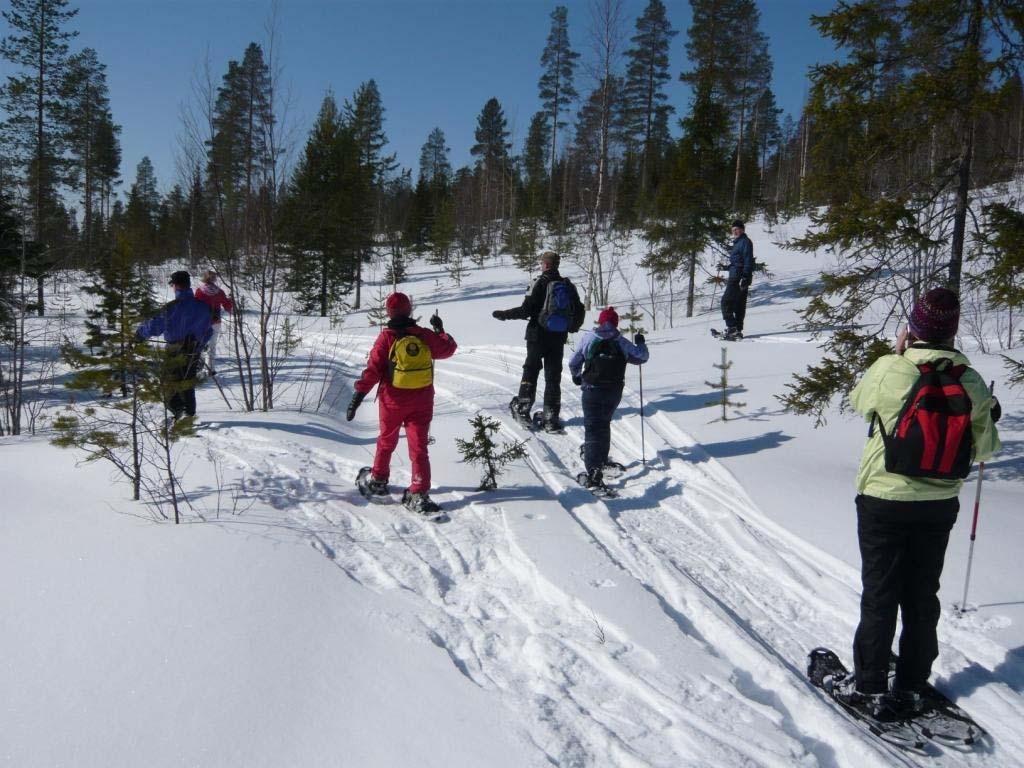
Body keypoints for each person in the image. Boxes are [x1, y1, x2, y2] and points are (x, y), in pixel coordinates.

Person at [839, 288, 1001, 720]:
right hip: (939, 503)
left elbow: (859, 404)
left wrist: (896, 354)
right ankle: (912, 680)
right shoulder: (970, 381)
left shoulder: (889, 369)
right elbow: (984, 449)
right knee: (921, 592)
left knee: (880, 592)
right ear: (951, 330)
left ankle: (871, 685)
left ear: (913, 327)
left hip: (883, 497)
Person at [346, 292, 457, 515]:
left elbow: (373, 371)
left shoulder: (386, 338)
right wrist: (440, 331)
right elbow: (448, 349)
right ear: (409, 310)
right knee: (419, 447)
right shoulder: (423, 334)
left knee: (387, 440)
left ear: (389, 312)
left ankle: (378, 479)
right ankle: (418, 491)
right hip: (422, 400)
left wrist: (358, 396)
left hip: (392, 400)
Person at [492, 250, 585, 432]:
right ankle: (551, 418)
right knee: (553, 376)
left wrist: (504, 315)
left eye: (542, 263)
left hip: (537, 335)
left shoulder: (539, 282)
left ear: (546, 264)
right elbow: (580, 309)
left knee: (531, 369)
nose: (541, 265)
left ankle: (523, 409)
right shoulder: (567, 284)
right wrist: (571, 326)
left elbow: (526, 310)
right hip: (558, 337)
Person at [568, 306, 648, 491]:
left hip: (592, 389)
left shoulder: (589, 338)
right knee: (604, 423)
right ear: (615, 323)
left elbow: (574, 361)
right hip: (614, 391)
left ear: (600, 321)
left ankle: (594, 471)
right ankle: (601, 459)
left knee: (593, 428)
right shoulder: (620, 341)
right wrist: (641, 342)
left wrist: (576, 376)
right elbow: (642, 357)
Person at [136, 270, 214, 422]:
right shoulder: (203, 307)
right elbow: (209, 331)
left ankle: (180, 412)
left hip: (175, 350)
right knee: (187, 382)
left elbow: (154, 327)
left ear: (175, 286)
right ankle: (189, 415)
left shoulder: (172, 308)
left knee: (168, 384)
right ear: (188, 285)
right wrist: (199, 344)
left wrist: (139, 334)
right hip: (194, 351)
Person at [718, 220, 755, 341]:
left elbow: (748, 260)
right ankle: (737, 330)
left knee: (726, 302)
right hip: (737, 275)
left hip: (738, 278)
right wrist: (725, 267)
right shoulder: (738, 243)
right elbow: (737, 263)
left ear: (742, 229)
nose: (734, 231)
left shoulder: (745, 242)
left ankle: (732, 327)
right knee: (739, 304)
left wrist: (745, 277)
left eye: (737, 229)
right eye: (733, 230)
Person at [193, 269, 234, 375]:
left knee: (201, 344)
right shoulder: (219, 292)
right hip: (216, 322)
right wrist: (230, 301)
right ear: (214, 279)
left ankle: (199, 366)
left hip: (202, 322)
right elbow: (227, 306)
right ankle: (210, 369)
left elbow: (195, 306)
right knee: (212, 346)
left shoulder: (199, 291)